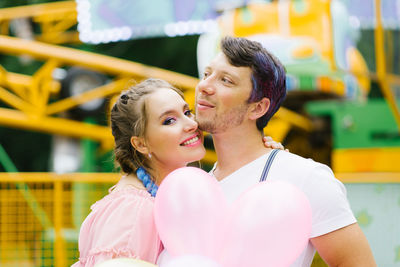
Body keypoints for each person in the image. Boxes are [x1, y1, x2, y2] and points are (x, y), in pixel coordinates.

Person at [194, 36, 376, 266]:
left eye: (226, 80)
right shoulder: (194, 187)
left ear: (258, 107)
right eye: (206, 74)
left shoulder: (305, 177)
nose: (204, 86)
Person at [72, 78, 283, 267]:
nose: (192, 124)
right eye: (169, 121)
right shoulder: (134, 209)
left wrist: (262, 156)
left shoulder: (174, 193)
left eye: (187, 112)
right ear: (141, 144)